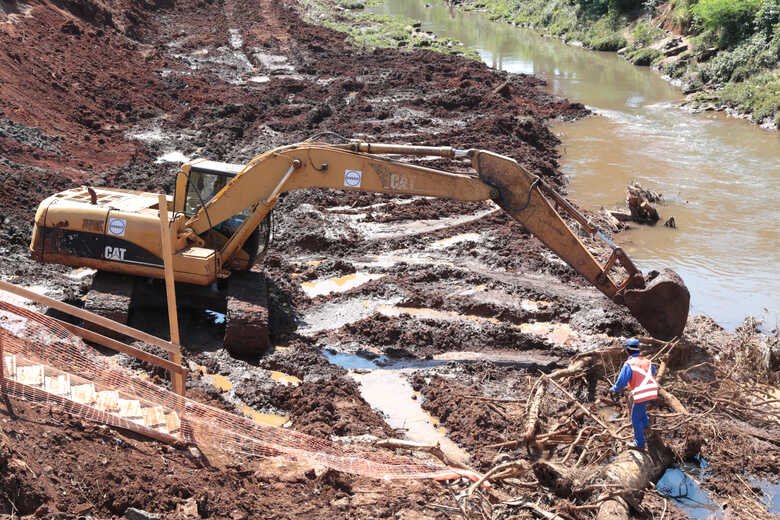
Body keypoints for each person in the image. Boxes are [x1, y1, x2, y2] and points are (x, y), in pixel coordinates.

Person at [609, 337, 659, 450]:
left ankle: (639, 444)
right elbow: (653, 372)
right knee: (641, 409)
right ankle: (646, 427)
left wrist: (614, 389)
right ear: (638, 350)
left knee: (635, 418)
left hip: (642, 393)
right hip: (652, 391)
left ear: (627, 350)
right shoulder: (647, 361)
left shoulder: (629, 364)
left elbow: (622, 382)